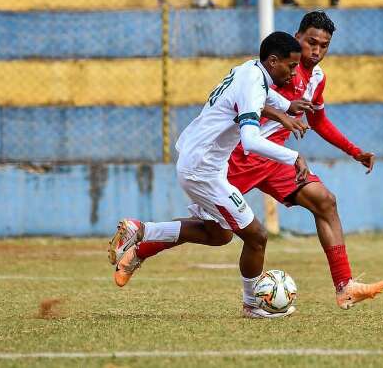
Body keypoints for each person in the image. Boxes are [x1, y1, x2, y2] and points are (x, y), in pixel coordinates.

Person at [108, 32, 312, 319]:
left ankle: (140, 231)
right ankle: (253, 304)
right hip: (203, 168)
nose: (293, 73)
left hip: (201, 162)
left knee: (218, 234)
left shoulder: (249, 69)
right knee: (257, 236)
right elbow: (251, 140)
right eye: (290, 67)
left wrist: (286, 106)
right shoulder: (253, 82)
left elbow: (261, 95)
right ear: (273, 60)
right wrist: (295, 157)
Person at [228, 11, 383, 310]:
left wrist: (355, 151)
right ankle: (142, 241)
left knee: (325, 201)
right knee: (214, 232)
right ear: (297, 37)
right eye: (311, 42)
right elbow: (249, 103)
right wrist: (282, 114)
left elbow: (319, 120)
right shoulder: (277, 68)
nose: (316, 50)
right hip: (245, 155)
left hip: (278, 161)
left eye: (324, 45)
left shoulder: (317, 78)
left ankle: (345, 286)